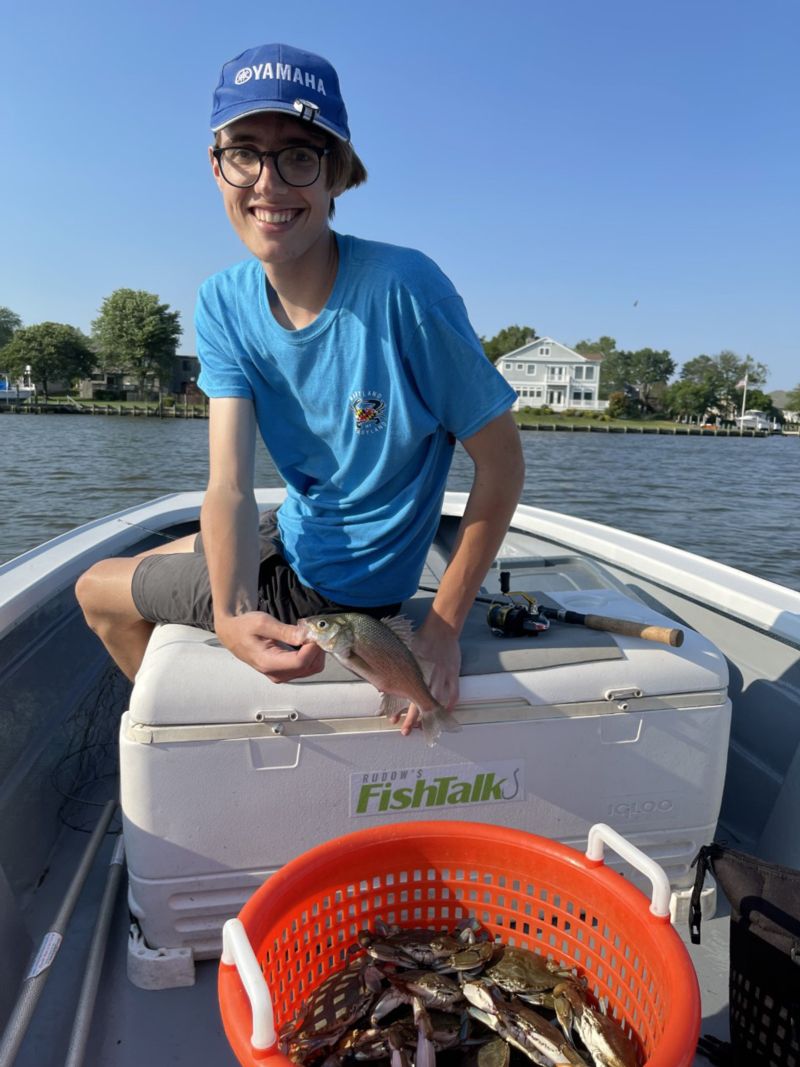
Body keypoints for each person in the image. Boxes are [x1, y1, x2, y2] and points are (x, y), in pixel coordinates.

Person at [76, 43, 525, 737]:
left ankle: (187, 735)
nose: (268, 184)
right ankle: (192, 730)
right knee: (179, 547)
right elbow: (227, 483)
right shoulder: (222, 302)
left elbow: (502, 462)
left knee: (97, 589)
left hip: (338, 590)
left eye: (298, 156)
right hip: (288, 535)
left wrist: (440, 625)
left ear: (336, 173)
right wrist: (228, 616)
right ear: (216, 163)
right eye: (245, 152)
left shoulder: (408, 292)